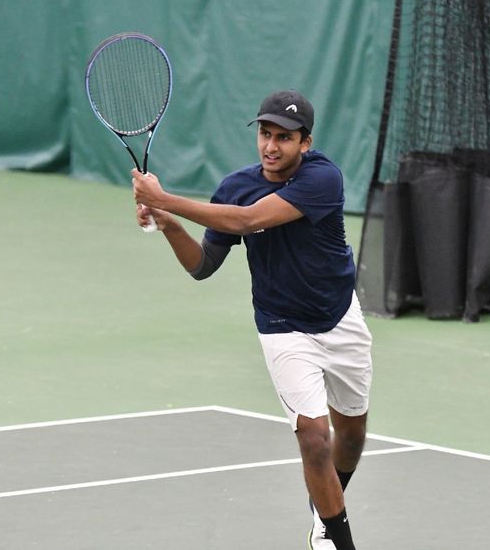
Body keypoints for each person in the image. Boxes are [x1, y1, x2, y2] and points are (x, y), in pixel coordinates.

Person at [131, 89, 373, 550]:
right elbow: (203, 266)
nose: (271, 146)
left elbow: (246, 221)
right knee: (314, 438)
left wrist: (168, 198)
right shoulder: (235, 187)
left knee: (352, 432)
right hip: (282, 327)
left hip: (340, 317)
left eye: (284, 137)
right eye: (265, 134)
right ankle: (335, 540)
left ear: (306, 143)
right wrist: (167, 221)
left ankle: (324, 510)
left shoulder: (323, 179)